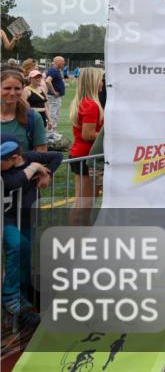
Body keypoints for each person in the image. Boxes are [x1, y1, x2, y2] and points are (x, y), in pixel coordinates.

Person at [2, 139, 61, 330]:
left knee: (25, 257)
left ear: (14, 157)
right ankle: (10, 296)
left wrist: (47, 175)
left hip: (28, 217)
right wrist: (35, 167)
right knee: (19, 246)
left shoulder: (28, 157)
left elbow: (57, 156)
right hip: (7, 218)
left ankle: (23, 297)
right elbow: (12, 182)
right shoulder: (9, 172)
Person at [68, 67, 105, 221]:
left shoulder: (83, 102)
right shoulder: (91, 105)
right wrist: (108, 137)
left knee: (82, 202)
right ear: (93, 82)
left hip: (80, 155)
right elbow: (88, 134)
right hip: (86, 157)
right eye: (101, 80)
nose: (103, 84)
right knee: (84, 203)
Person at [0, 70, 47, 154]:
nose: (12, 93)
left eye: (17, 88)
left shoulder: (33, 118)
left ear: (23, 89)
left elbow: (41, 153)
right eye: (7, 88)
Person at [45, 56, 66, 142]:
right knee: (52, 114)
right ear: (57, 62)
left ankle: (53, 132)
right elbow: (47, 81)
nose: (64, 63)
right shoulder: (53, 70)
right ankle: (50, 134)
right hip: (53, 97)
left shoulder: (56, 70)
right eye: (63, 61)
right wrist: (53, 91)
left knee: (56, 114)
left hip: (56, 97)